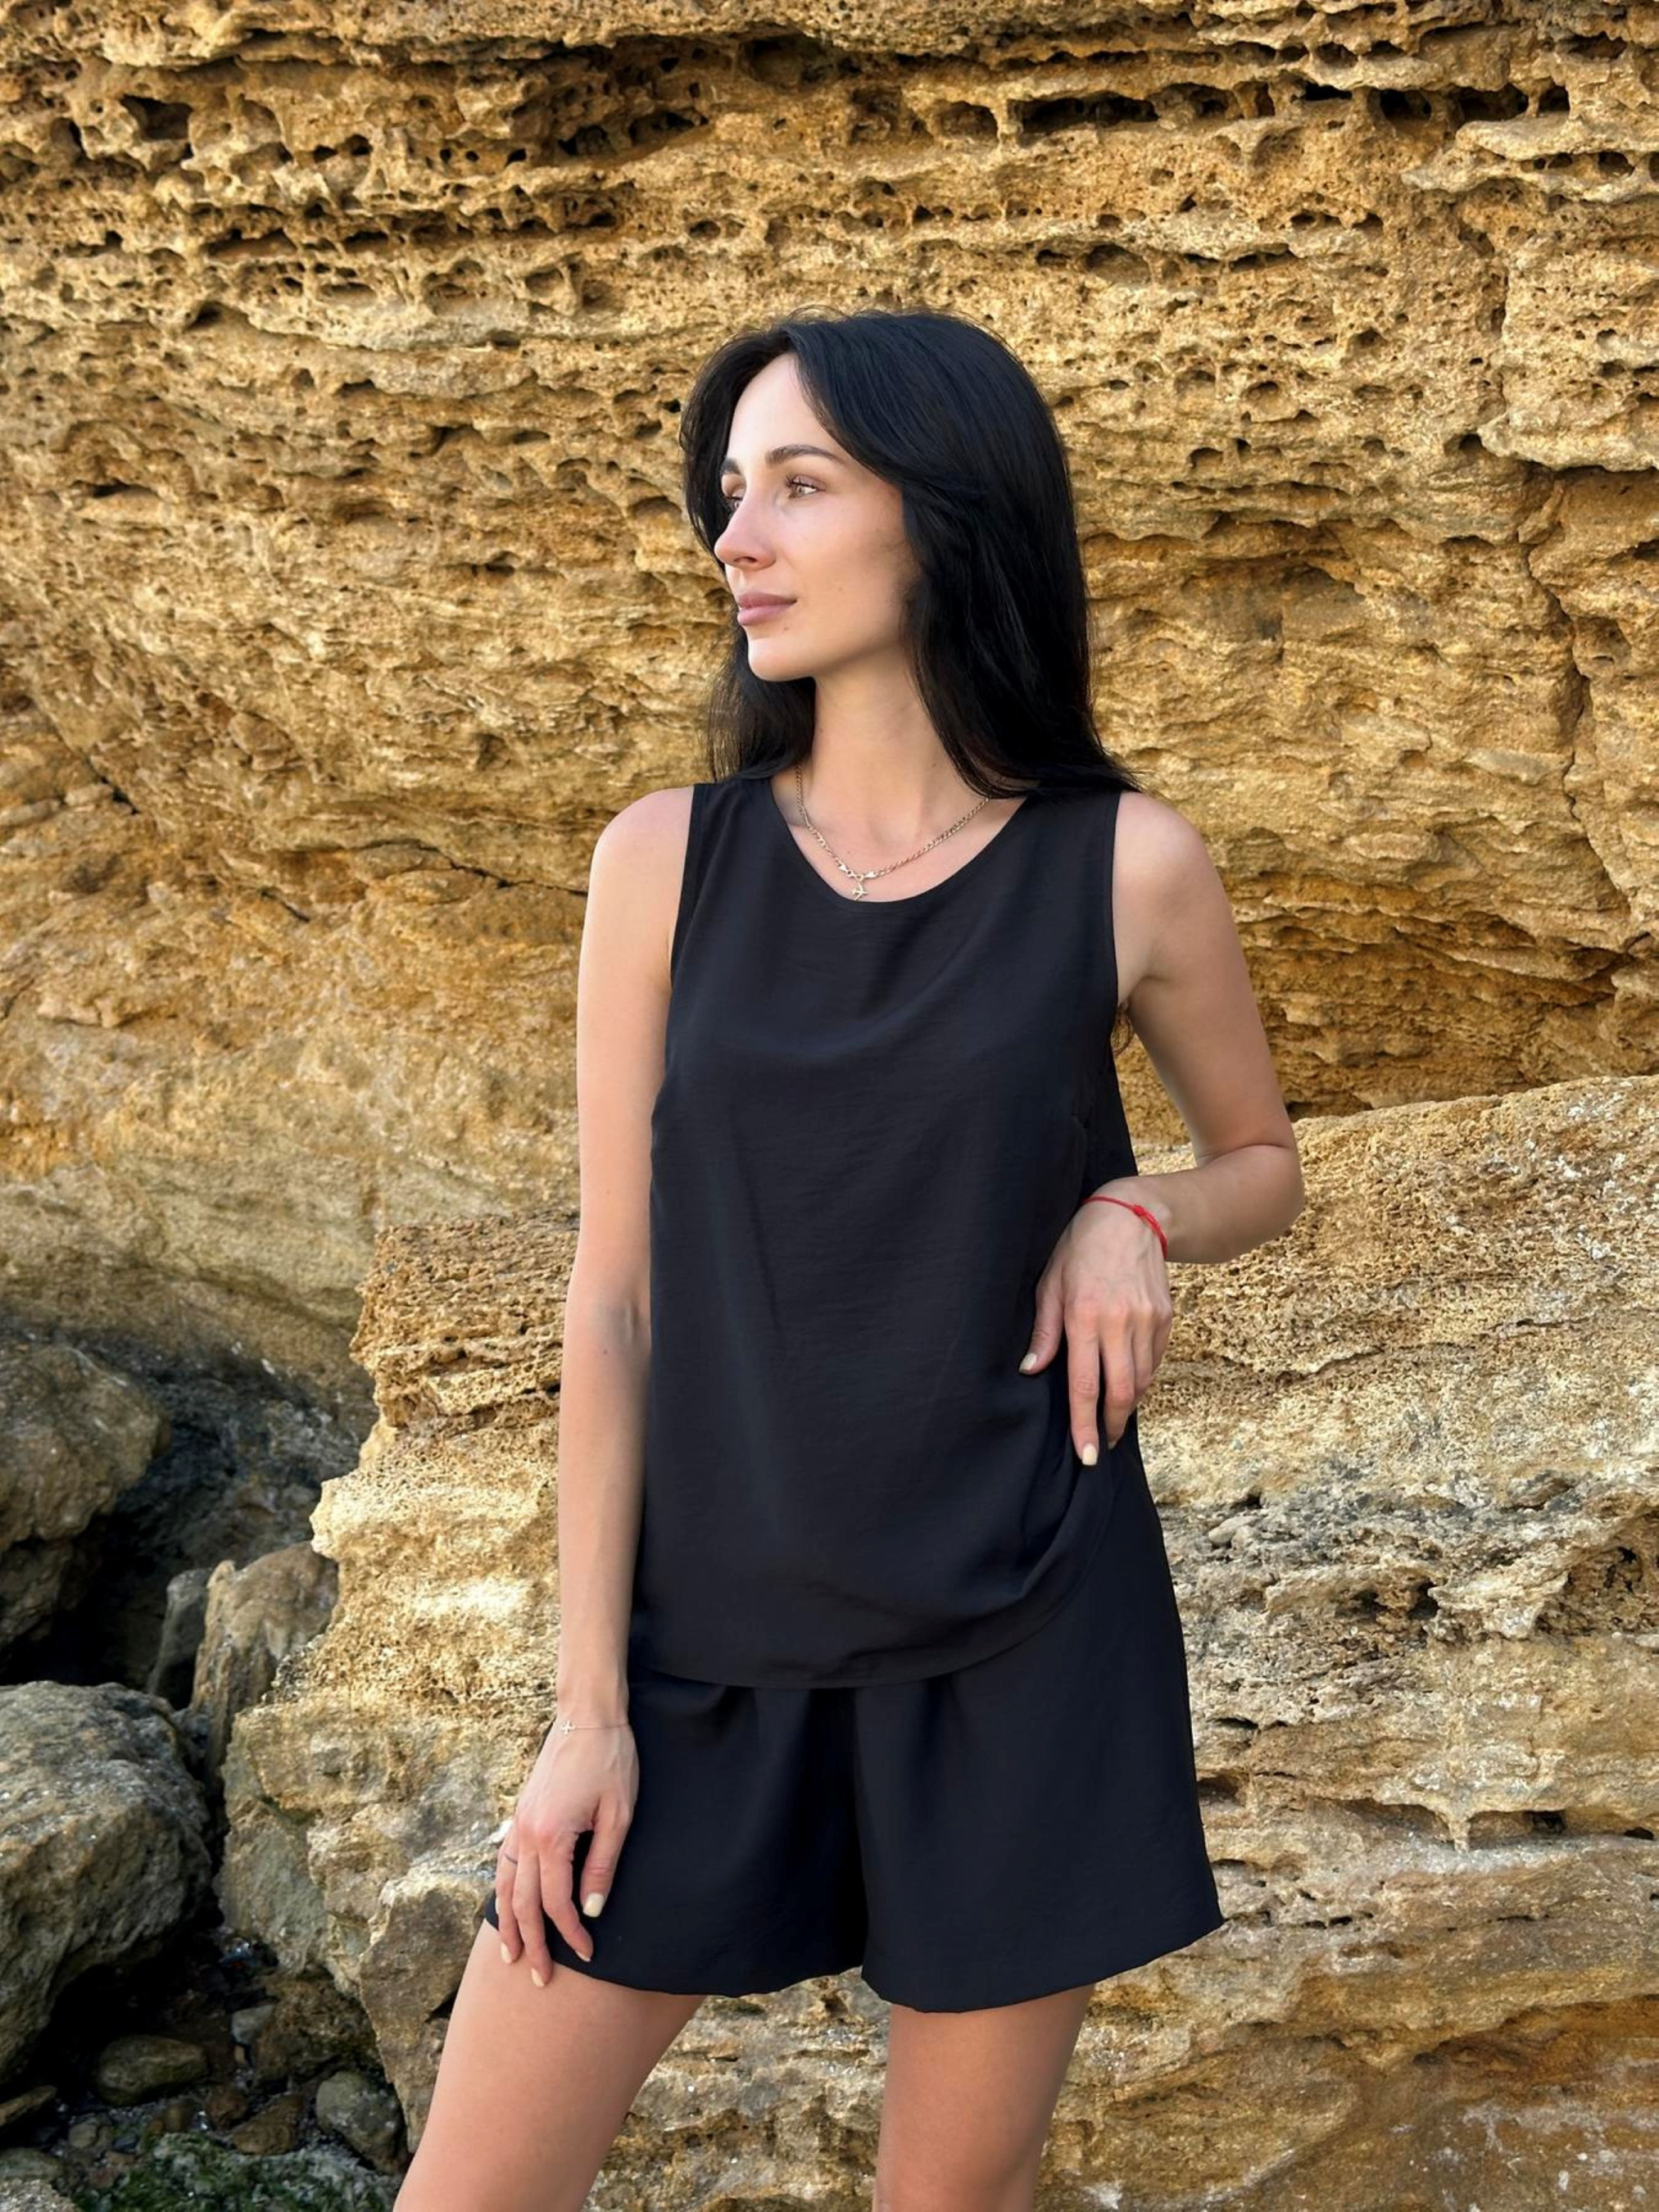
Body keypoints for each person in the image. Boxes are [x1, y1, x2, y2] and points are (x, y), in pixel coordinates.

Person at [397, 307, 1304, 2212]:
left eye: (798, 485)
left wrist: (1134, 1211)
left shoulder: (1122, 865)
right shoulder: (663, 861)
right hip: (700, 1649)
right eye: (731, 491)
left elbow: (1258, 1163)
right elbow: (614, 1300)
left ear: (942, 515)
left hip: (1020, 1637)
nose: (737, 537)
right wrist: (585, 1716)